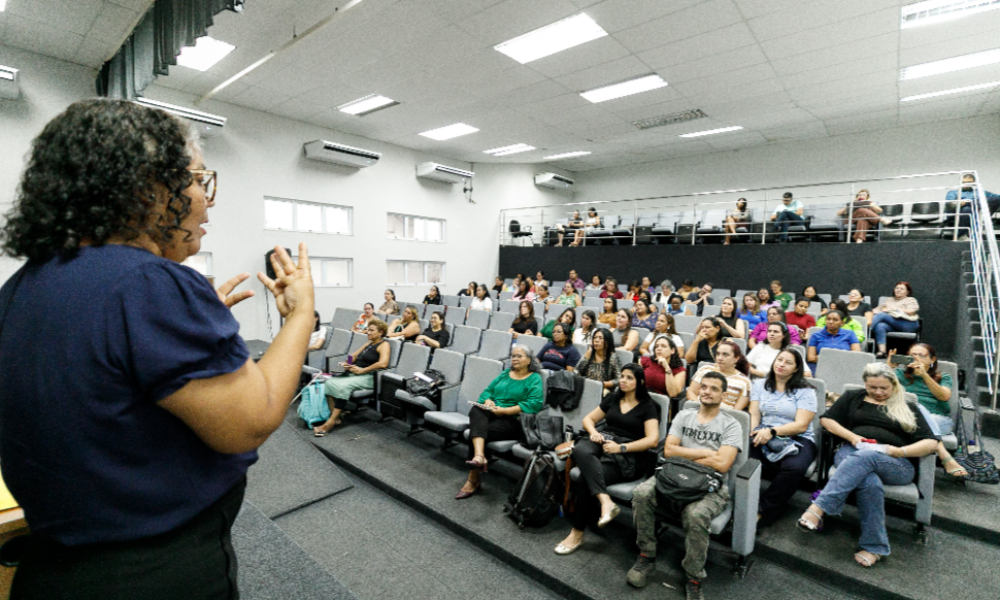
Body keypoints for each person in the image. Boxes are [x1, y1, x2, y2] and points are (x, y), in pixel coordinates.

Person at [0, 99, 315, 599]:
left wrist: (191, 329)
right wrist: (300, 316)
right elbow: (250, 422)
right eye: (196, 180)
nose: (206, 201)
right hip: (153, 575)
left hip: (54, 569)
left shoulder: (23, 286)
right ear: (146, 187)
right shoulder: (149, 284)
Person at [798, 363, 938, 568]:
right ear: (865, 383)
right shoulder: (853, 397)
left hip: (895, 462)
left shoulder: (907, 406)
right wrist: (852, 437)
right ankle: (875, 546)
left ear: (894, 385)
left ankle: (820, 507)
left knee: (867, 456)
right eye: (873, 387)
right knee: (869, 481)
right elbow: (827, 421)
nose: (878, 392)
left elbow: (931, 443)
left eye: (884, 388)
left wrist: (899, 451)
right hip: (851, 451)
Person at [628, 371, 741, 598]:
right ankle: (646, 556)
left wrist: (683, 455)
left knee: (696, 514)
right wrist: (705, 453)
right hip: (674, 475)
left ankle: (693, 576)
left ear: (724, 395)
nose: (706, 391)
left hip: (711, 485)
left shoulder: (732, 424)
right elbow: (669, 450)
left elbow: (723, 463)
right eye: (704, 387)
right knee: (641, 493)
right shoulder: (684, 415)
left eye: (714, 388)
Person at [555, 365, 660, 555]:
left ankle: (577, 533)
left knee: (588, 477)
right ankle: (605, 501)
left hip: (629, 453)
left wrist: (621, 448)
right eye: (622, 376)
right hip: (605, 441)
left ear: (640, 383)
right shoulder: (613, 397)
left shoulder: (648, 406)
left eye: (629, 378)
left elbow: (652, 440)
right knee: (580, 448)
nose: (623, 381)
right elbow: (588, 419)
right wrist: (594, 433)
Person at [456, 346, 544, 499]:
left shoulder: (534, 378)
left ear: (529, 360)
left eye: (519, 356)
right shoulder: (505, 373)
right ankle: (479, 456)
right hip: (493, 413)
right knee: (476, 410)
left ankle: (473, 479)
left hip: (514, 421)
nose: (514, 358)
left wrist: (505, 411)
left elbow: (534, 404)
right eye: (513, 355)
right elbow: (487, 391)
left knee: (477, 432)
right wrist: (489, 401)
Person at [749, 349, 817, 526]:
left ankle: (764, 509)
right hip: (763, 432)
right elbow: (754, 413)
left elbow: (801, 425)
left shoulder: (806, 390)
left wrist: (772, 431)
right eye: (779, 360)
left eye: (788, 362)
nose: (781, 364)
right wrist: (753, 432)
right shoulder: (759, 384)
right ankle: (742, 502)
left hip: (799, 438)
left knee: (794, 468)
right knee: (743, 458)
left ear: (796, 369)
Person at [891, 344, 968, 478]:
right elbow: (881, 391)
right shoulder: (899, 374)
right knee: (914, 410)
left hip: (938, 419)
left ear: (932, 360)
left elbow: (944, 396)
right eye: (913, 355)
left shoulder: (943, 376)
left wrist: (925, 376)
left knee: (919, 413)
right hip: (907, 417)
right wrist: (890, 368)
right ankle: (944, 455)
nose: (916, 358)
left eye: (922, 355)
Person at [315, 319, 391, 436]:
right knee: (329, 383)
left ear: (381, 332)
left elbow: (383, 363)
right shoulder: (369, 343)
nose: (368, 333)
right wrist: (348, 363)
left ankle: (330, 422)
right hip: (355, 373)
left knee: (342, 386)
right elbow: (353, 355)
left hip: (369, 376)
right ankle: (336, 417)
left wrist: (362, 370)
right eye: (368, 330)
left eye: (371, 330)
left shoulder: (384, 345)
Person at [687, 340, 752, 411]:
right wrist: (702, 409)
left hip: (724, 417)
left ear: (736, 358)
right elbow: (691, 392)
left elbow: (736, 411)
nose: (720, 358)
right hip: (699, 410)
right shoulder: (705, 369)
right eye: (718, 354)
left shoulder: (744, 382)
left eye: (725, 354)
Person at [944, 173, 1000, 241]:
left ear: (974, 183)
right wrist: (959, 203)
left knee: (996, 199)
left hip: (977, 213)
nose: (966, 184)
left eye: (969, 183)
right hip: (958, 214)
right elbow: (951, 205)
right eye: (963, 182)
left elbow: (997, 198)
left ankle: (971, 203)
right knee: (967, 209)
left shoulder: (979, 192)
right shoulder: (953, 193)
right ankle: (962, 235)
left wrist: (966, 202)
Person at [871, 282, 920, 359]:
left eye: (902, 289)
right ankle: (882, 351)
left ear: (907, 292)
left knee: (883, 315)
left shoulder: (910, 299)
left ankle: (865, 332)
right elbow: (877, 310)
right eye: (897, 288)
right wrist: (868, 312)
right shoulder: (889, 300)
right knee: (880, 326)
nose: (898, 290)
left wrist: (894, 309)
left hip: (908, 324)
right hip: (894, 324)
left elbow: (911, 311)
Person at [747, 322, 811, 379]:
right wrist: (760, 373)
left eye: (775, 332)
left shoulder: (793, 351)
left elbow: (808, 374)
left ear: (783, 335)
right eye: (769, 331)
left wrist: (785, 376)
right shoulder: (760, 346)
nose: (771, 334)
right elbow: (745, 365)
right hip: (761, 382)